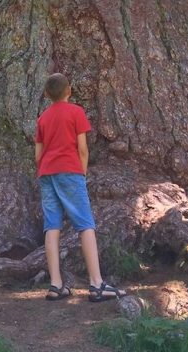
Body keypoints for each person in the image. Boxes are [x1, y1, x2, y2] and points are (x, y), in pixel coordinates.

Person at [34, 72, 126, 302]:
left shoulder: (43, 118)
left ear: (46, 94)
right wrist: (81, 172)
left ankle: (55, 284)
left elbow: (38, 154)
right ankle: (96, 283)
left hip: (47, 173)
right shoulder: (76, 112)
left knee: (52, 226)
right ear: (69, 91)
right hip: (70, 171)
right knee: (85, 224)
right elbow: (82, 148)